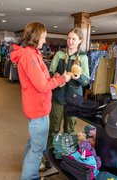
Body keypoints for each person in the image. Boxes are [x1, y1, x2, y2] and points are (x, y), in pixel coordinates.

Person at [10, 21, 71, 180]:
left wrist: (55, 78)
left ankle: (26, 165)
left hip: (36, 106)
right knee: (38, 149)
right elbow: (43, 86)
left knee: (34, 141)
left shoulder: (32, 54)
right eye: (43, 37)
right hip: (38, 108)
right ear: (36, 37)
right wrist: (63, 78)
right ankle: (28, 175)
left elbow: (40, 80)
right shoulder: (30, 56)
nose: (45, 41)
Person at [45, 27, 90, 167]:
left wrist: (79, 77)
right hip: (58, 97)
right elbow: (50, 73)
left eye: (74, 39)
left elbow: (87, 80)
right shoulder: (59, 54)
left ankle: (66, 157)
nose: (70, 41)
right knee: (53, 129)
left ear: (80, 41)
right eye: (69, 38)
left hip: (74, 100)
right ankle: (49, 157)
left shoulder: (83, 57)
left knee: (69, 130)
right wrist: (57, 77)